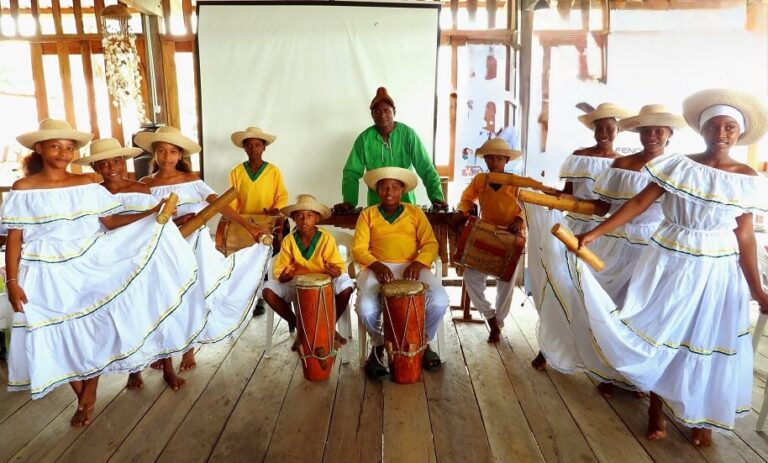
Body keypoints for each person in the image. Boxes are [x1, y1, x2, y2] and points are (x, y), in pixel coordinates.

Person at [572, 89, 768, 446]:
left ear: (738, 133)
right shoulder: (679, 165)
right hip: (671, 258)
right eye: (713, 126)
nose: (721, 134)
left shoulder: (746, 177)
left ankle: (702, 415)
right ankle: (656, 407)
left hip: (718, 269)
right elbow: (638, 203)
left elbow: (746, 237)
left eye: (729, 128)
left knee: (708, 336)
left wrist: (757, 290)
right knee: (662, 331)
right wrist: (596, 233)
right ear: (701, 130)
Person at [4, 120, 203, 427]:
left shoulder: (86, 183)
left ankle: (88, 395)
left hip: (87, 262)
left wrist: (151, 215)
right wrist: (12, 281)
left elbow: (109, 222)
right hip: (41, 270)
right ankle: (80, 390)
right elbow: (15, 236)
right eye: (55, 145)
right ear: (39, 149)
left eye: (70, 147)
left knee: (93, 326)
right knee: (50, 330)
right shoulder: (23, 189)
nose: (63, 152)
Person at [136, 126, 271, 371]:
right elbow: (145, 217)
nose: (167, 157)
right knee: (162, 295)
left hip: (194, 245)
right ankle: (162, 347)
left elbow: (221, 205)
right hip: (164, 247)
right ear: (154, 155)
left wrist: (249, 227)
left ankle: (188, 347)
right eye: (162, 151)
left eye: (173, 151)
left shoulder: (192, 181)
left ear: (180, 156)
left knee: (192, 292)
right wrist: (176, 221)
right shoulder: (145, 184)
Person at [75, 137, 198, 391]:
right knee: (124, 312)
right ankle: (133, 369)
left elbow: (155, 224)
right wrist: (151, 213)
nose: (112, 167)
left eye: (117, 160)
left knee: (156, 307)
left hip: (146, 256)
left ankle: (167, 368)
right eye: (104, 163)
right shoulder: (94, 193)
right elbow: (108, 223)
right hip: (111, 260)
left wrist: (177, 219)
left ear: (125, 161)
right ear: (95, 168)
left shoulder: (142, 189)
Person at [530, 102, 630, 371]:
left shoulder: (622, 163)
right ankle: (549, 347)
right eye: (599, 128)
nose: (604, 133)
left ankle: (597, 357)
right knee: (561, 286)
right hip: (571, 228)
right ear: (593, 130)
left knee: (594, 293)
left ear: (618, 130)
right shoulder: (579, 156)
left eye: (609, 128)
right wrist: (554, 197)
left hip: (604, 235)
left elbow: (619, 204)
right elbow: (568, 192)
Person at [352, 167, 449, 380]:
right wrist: (376, 265)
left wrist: (419, 262)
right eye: (384, 187)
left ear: (402, 190)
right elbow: (358, 249)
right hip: (376, 267)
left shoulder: (415, 213)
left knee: (440, 300)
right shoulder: (367, 214)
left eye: (395, 187)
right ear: (377, 190)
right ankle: (378, 346)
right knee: (365, 307)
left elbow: (431, 244)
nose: (389, 192)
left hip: (412, 267)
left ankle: (422, 342)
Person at [450, 138, 525, 343]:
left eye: (498, 159)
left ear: (506, 160)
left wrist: (519, 219)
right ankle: (490, 317)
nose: (493, 163)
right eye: (490, 158)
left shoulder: (517, 182)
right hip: (486, 234)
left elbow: (528, 208)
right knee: (471, 277)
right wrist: (461, 211)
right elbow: (467, 198)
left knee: (507, 283)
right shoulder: (480, 179)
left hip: (511, 238)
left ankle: (498, 324)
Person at [262, 194, 354, 346]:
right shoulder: (289, 240)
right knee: (268, 291)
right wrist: (284, 276)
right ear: (293, 219)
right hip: (297, 283)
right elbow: (280, 270)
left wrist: (336, 271)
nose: (304, 220)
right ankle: (302, 328)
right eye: (299, 216)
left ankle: (328, 327)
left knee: (346, 286)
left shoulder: (326, 238)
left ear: (317, 218)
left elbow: (338, 267)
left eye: (309, 216)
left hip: (325, 283)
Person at [335, 87, 447, 211]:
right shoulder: (364, 139)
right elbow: (351, 172)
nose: (382, 114)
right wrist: (349, 202)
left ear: (394, 111)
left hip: (406, 204)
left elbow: (426, 168)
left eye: (386, 110)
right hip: (376, 207)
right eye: (377, 111)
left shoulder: (408, 134)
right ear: (372, 115)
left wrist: (436, 198)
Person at [229, 126, 289, 316]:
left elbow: (282, 195)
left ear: (264, 148)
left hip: (268, 221)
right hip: (245, 222)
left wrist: (276, 209)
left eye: (257, 145)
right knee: (247, 259)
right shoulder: (237, 172)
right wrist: (235, 217)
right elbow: (232, 199)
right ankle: (247, 295)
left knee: (265, 257)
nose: (253, 149)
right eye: (249, 145)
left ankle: (261, 297)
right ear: (244, 149)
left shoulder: (273, 171)